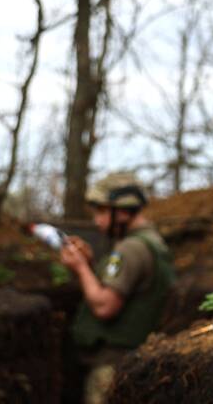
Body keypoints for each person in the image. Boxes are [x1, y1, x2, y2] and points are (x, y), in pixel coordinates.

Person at [61, 172, 175, 404]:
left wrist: (81, 268)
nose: (97, 220)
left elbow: (105, 306)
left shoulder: (131, 249)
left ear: (123, 211)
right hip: (135, 362)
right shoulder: (152, 243)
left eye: (101, 211)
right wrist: (91, 265)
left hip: (113, 366)